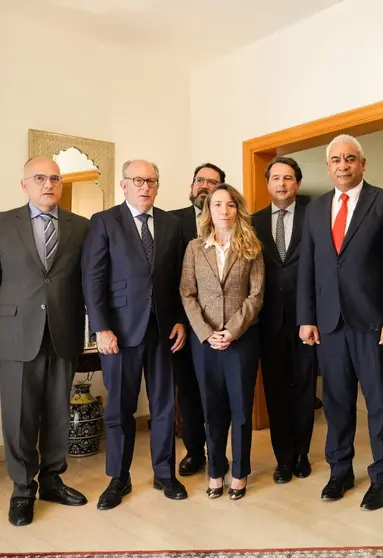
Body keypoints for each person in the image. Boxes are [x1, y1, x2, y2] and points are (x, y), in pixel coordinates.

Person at [297, 134, 383, 510]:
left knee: (379, 404)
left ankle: (382, 477)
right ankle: (339, 470)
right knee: (336, 403)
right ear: (328, 167)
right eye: (336, 160)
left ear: (362, 163)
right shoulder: (314, 209)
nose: (343, 165)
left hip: (374, 325)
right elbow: (307, 267)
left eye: (350, 159)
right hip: (329, 325)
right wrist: (306, 317)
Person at [82, 159, 188, 510]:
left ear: (158, 186)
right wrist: (101, 327)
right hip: (120, 333)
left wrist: (179, 321)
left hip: (162, 331)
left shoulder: (172, 224)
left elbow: (177, 280)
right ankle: (119, 478)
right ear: (124, 185)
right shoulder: (104, 221)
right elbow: (93, 278)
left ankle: (164, 473)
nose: (145, 186)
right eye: (138, 180)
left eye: (152, 181)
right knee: (120, 409)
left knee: (163, 406)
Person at [0, 157, 89, 526]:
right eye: (39, 178)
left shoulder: (82, 227)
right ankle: (23, 490)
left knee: (56, 412)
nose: (48, 184)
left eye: (55, 178)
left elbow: (89, 279)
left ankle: (53, 480)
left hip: (64, 331)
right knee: (19, 416)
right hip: (16, 333)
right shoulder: (3, 223)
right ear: (24, 184)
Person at [180, 183, 264, 500]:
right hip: (206, 343)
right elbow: (187, 294)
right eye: (217, 205)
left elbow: (256, 296)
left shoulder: (251, 246)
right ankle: (216, 471)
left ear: (236, 209)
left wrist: (232, 330)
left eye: (229, 205)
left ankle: (240, 473)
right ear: (208, 211)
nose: (223, 211)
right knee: (212, 409)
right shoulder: (194, 248)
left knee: (241, 410)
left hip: (240, 341)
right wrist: (206, 332)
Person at [251, 157, 317, 484]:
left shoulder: (314, 216)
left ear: (298, 183)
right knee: (276, 394)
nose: (281, 184)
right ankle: (283, 459)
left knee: (304, 390)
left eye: (288, 178)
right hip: (268, 321)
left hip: (306, 321)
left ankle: (303, 453)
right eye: (275, 178)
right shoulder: (252, 222)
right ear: (267, 184)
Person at [169, 162, 226, 476]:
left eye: (212, 182)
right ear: (192, 185)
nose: (204, 186)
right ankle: (194, 451)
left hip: (223, 326)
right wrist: (179, 319)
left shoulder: (231, 221)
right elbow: (167, 278)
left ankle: (220, 452)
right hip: (184, 327)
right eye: (200, 180)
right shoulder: (170, 222)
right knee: (189, 391)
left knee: (220, 392)